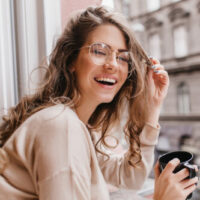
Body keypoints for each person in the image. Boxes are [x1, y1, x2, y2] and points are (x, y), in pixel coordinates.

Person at [0, 6, 198, 200]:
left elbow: (130, 178)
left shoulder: (81, 127)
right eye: (100, 51)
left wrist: (152, 106)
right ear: (71, 60)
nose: (112, 64)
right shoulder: (61, 126)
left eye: (122, 57)